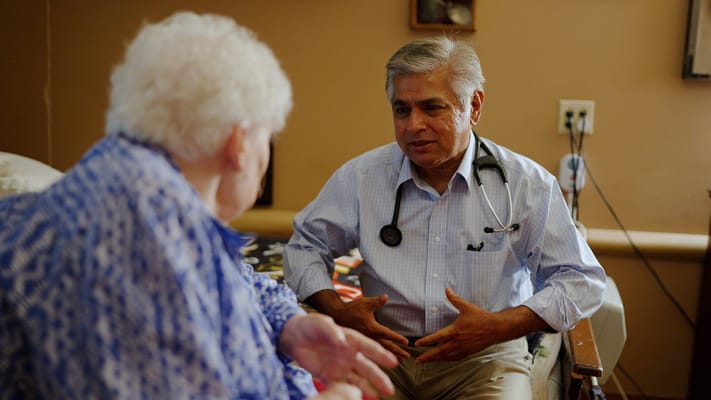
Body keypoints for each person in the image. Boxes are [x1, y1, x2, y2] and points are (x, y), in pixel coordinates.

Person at [0, 11, 397, 400]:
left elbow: (236, 278)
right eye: (268, 137)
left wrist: (288, 323)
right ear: (239, 142)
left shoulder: (131, 189)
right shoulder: (148, 239)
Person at [283, 36, 606, 399]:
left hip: (486, 359)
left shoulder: (525, 185)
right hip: (385, 351)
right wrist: (335, 308)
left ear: (474, 106)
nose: (413, 125)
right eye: (401, 110)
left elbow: (582, 280)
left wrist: (498, 327)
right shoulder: (361, 178)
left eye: (431, 108)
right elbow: (305, 247)